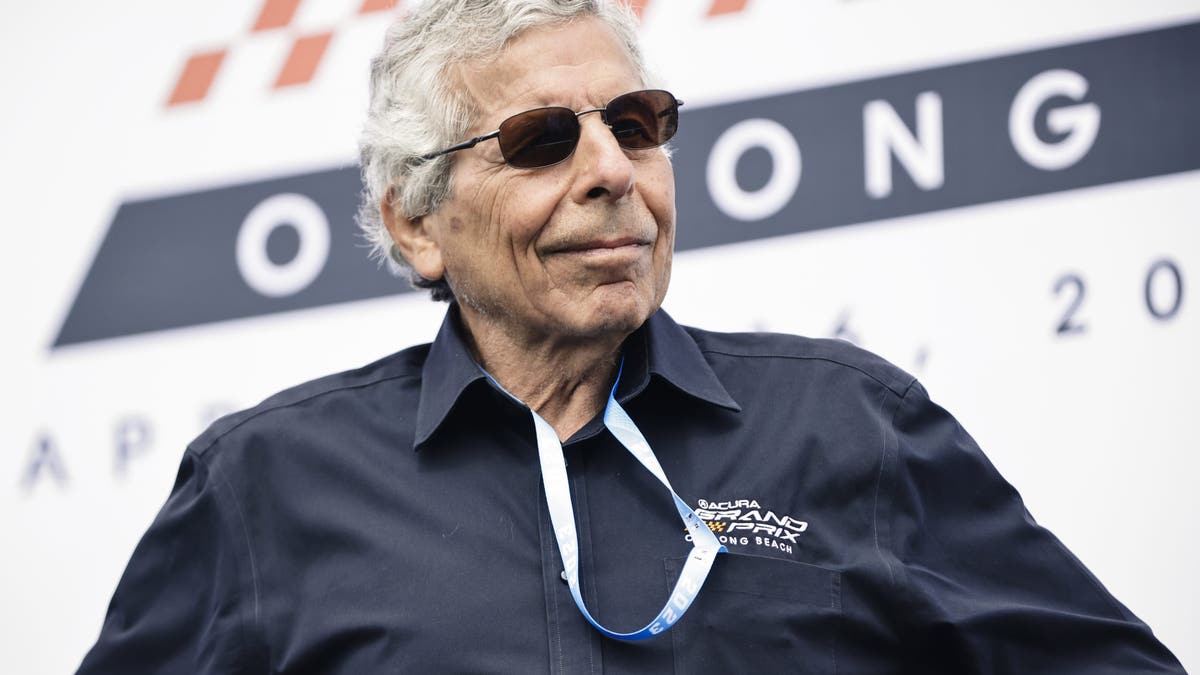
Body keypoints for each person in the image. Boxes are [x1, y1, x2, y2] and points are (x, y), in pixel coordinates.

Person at [77, 1, 1185, 673]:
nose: (612, 171)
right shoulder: (267, 484)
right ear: (417, 223)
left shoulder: (852, 425)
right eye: (542, 140)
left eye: (638, 125)